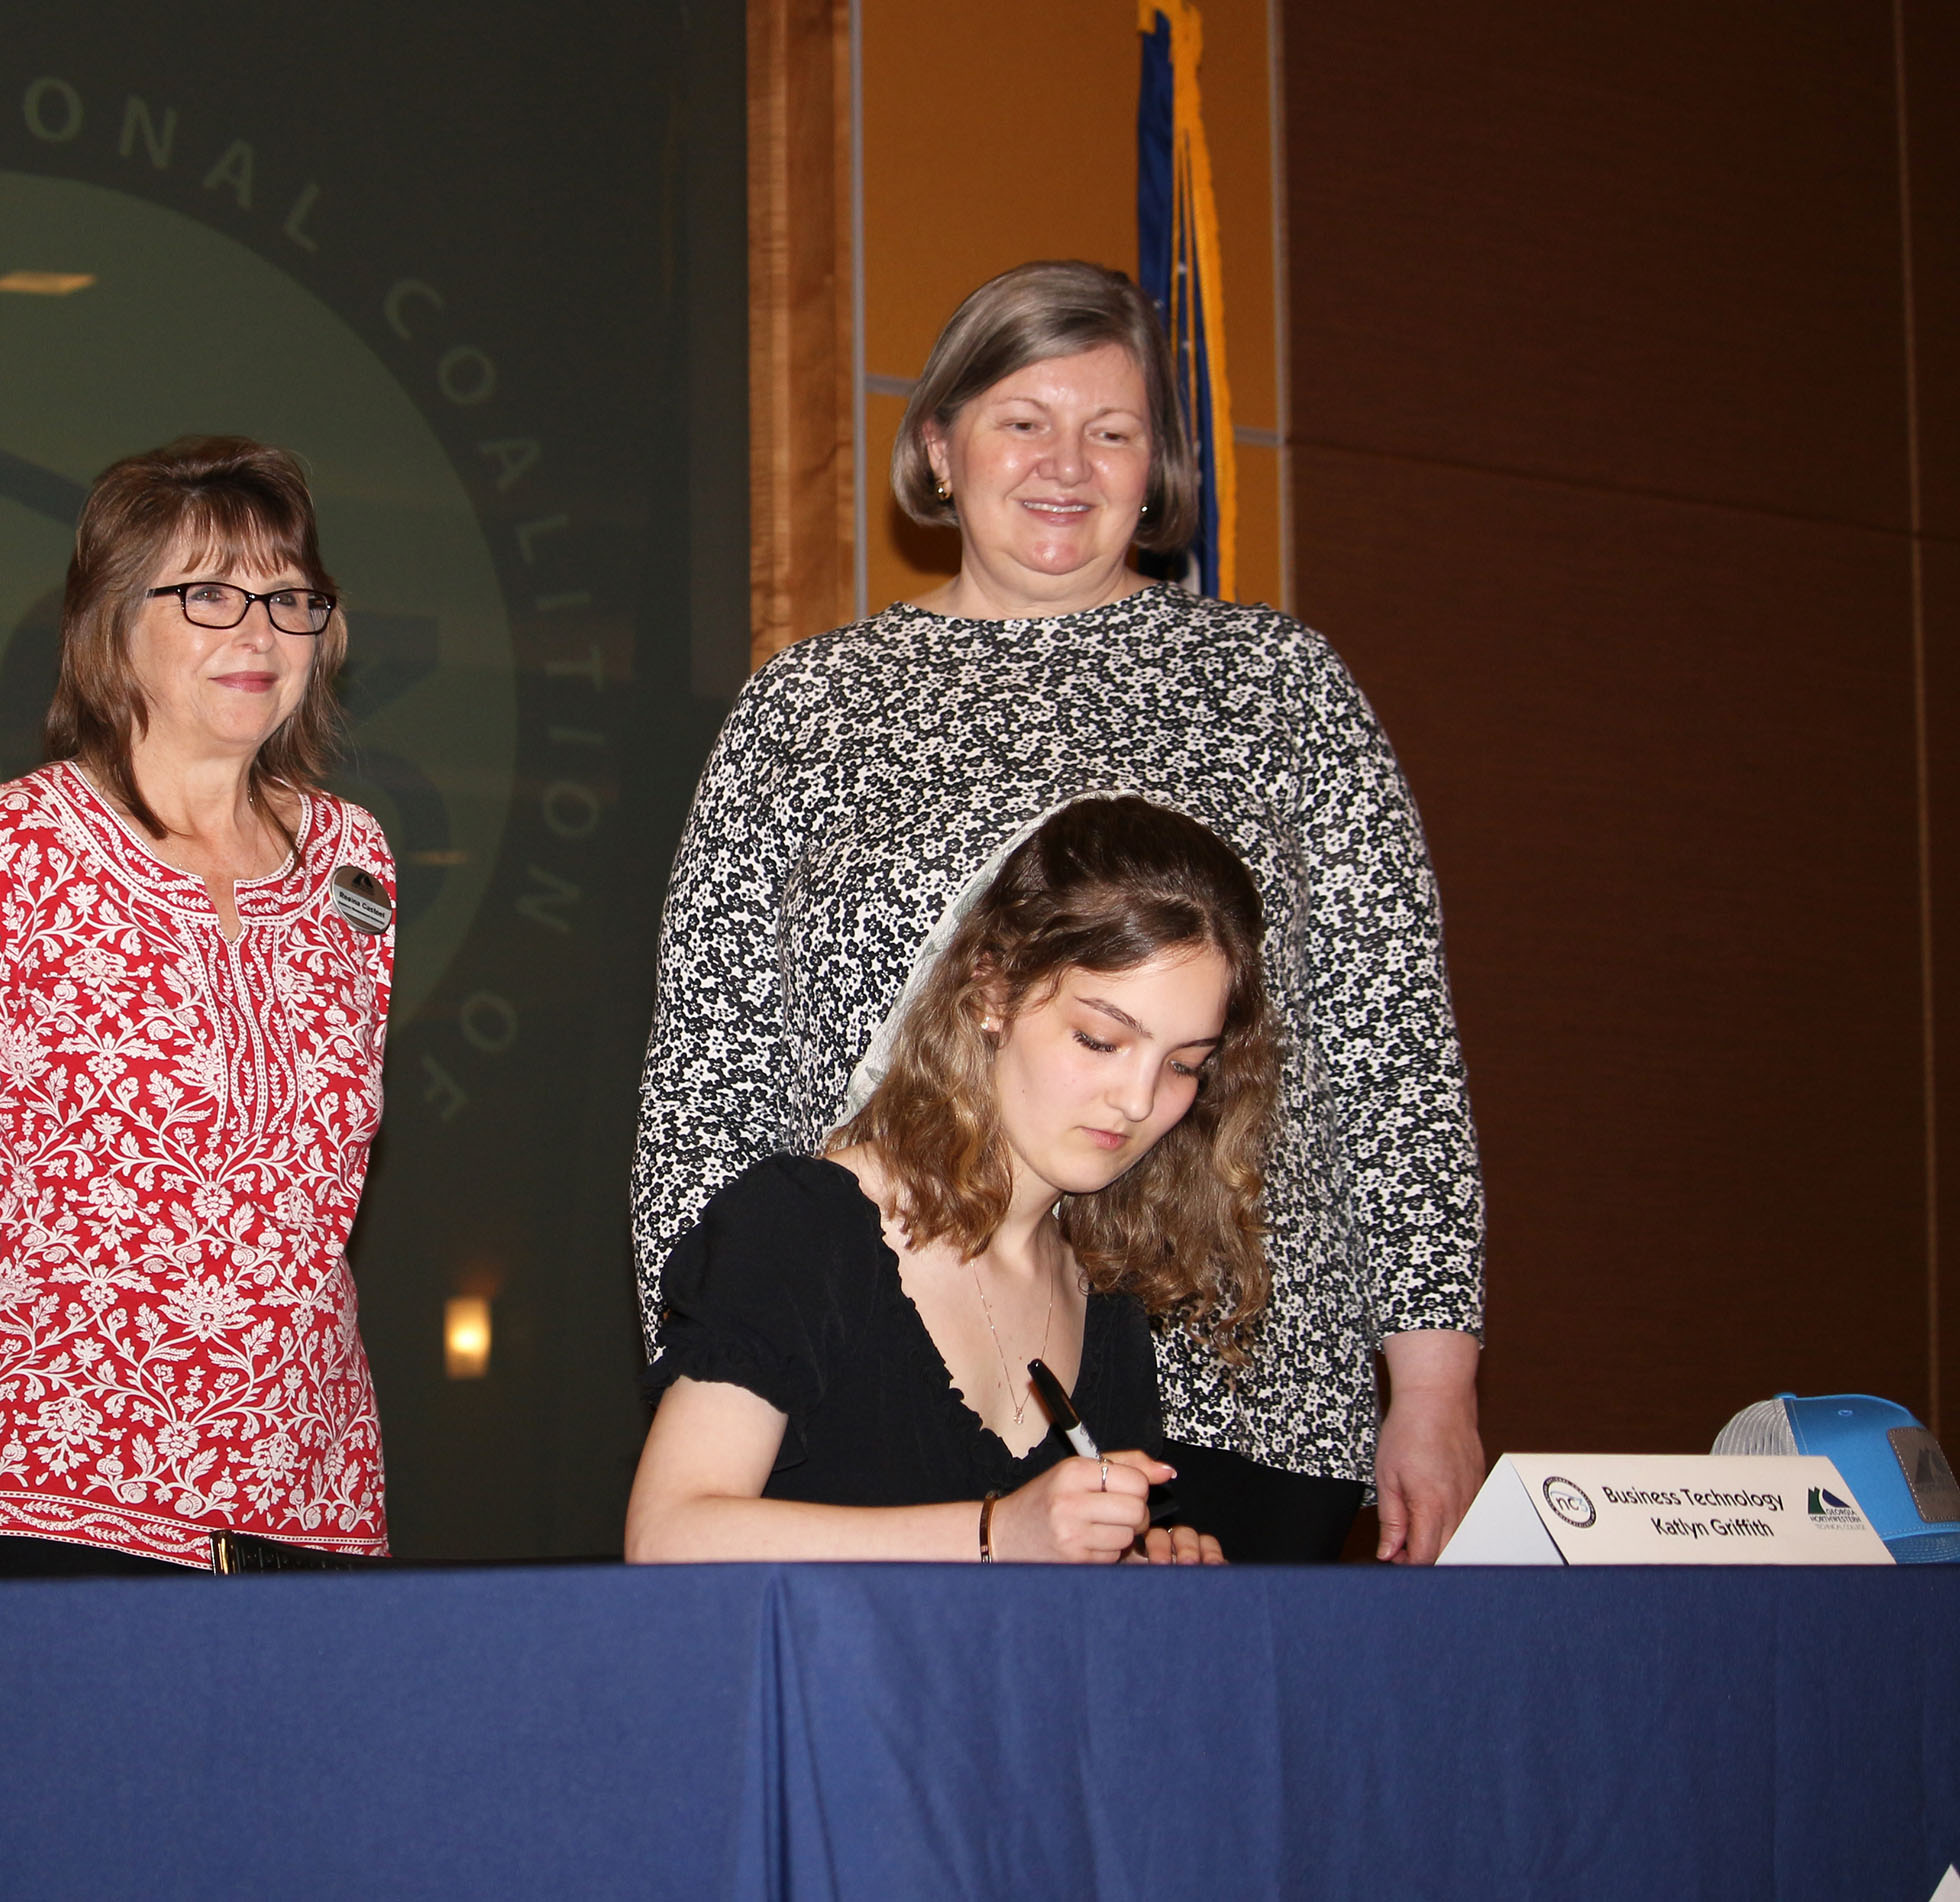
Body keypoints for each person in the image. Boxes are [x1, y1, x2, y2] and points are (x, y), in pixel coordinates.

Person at [633, 259, 1484, 1564]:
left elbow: (1393, 1051)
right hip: (872, 1402)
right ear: (938, 444)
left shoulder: (1274, 686)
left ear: (1157, 470)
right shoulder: (808, 710)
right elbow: (708, 1075)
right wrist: (707, 1367)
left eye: (1112, 430)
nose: (1064, 463)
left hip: (1239, 1396)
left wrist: (1432, 1383)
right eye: (1022, 419)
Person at [0, 436, 395, 1577]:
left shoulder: (359, 863)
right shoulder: (7, 845)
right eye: (210, 595)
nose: (259, 632)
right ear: (113, 621)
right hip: (54, 1488)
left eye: (290, 598)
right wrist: (15, 1389)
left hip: (309, 1484)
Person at [626, 798, 1267, 1563]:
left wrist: (1133, 1575)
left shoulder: (1110, 1294)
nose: (1137, 1100)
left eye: (1183, 1065)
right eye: (1100, 1040)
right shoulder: (806, 1228)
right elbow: (667, 1539)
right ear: (991, 991)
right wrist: (997, 1533)